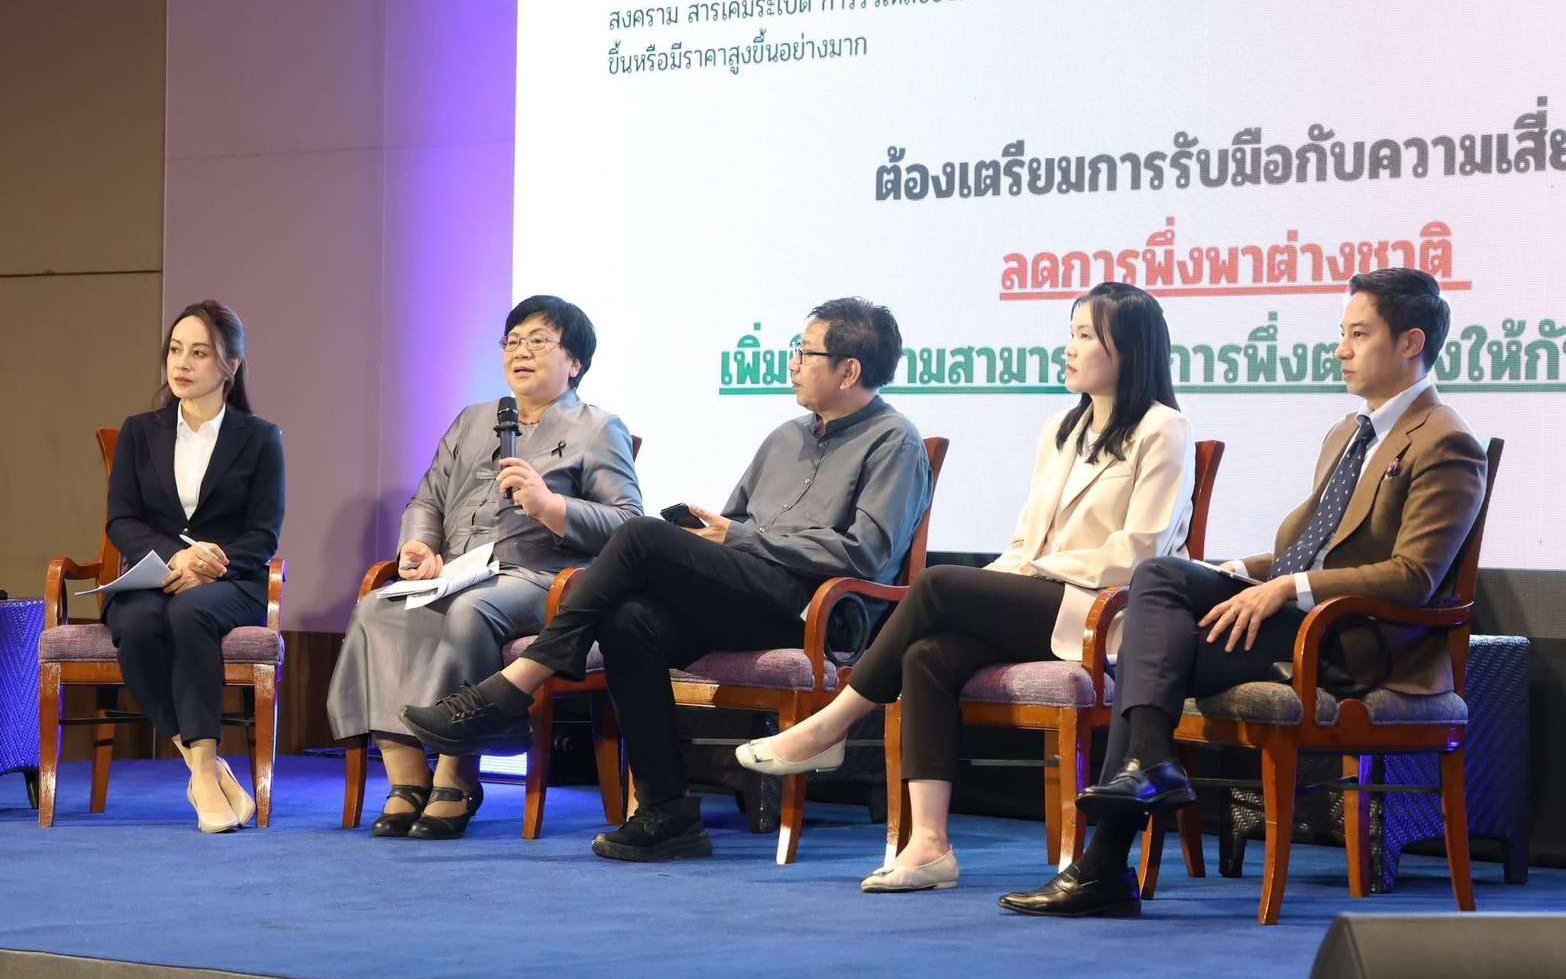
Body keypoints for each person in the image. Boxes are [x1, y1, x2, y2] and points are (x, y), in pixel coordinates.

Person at [1001, 267, 1488, 918]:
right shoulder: (1348, 433)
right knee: (1158, 601)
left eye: (1358, 334)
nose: (1340, 350)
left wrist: (1286, 586)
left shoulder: (1445, 441)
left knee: (1154, 623)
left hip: (1359, 643)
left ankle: (1108, 860)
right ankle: (1134, 795)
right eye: (1342, 334)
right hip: (1303, 621)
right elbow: (1314, 545)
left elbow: (1413, 578)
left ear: (1410, 343)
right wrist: (1242, 570)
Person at [400, 297, 933, 861]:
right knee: (629, 620)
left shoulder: (894, 440)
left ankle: (519, 682)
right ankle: (669, 810)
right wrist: (711, 536)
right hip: (751, 593)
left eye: (805, 353)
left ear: (849, 370)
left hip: (820, 609)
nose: (793, 363)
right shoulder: (785, 437)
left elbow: (867, 554)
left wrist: (740, 539)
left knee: (639, 535)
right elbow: (738, 522)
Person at [737, 283, 1195, 891]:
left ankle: (833, 723)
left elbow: (1140, 553)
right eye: (1072, 334)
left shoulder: (1163, 428)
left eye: (1086, 336)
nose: (1070, 349)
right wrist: (1003, 578)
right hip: (1041, 598)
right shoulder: (1061, 428)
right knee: (928, 655)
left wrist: (1032, 572)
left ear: (1129, 349)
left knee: (936, 586)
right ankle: (929, 846)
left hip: (1101, 612)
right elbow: (1026, 542)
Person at [326, 296, 641, 840]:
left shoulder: (597, 428)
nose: (521, 352)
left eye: (538, 341)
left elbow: (628, 523)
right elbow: (426, 500)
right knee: (377, 608)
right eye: (512, 341)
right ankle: (407, 777)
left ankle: (457, 774)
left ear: (575, 362)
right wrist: (418, 546)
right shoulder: (474, 420)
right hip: (458, 572)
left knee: (470, 611)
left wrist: (551, 506)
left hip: (540, 579)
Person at [105, 301, 284, 833]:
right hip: (152, 574)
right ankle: (204, 767)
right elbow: (121, 519)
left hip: (232, 582)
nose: (181, 363)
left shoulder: (260, 437)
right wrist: (176, 556)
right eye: (175, 350)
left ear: (231, 366)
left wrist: (210, 564)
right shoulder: (140, 431)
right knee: (137, 622)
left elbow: (263, 534)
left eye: (200, 353)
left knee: (190, 614)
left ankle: (203, 772)